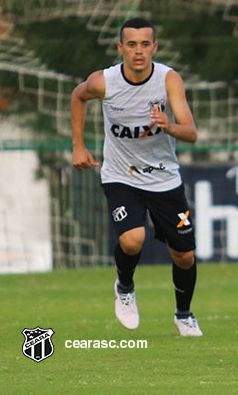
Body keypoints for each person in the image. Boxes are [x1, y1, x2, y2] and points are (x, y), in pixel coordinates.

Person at [71, 17, 203, 337]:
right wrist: (78, 145)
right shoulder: (104, 81)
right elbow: (78, 96)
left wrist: (169, 126)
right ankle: (125, 287)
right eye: (131, 44)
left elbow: (191, 132)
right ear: (121, 48)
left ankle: (184, 314)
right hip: (121, 176)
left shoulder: (169, 80)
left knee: (184, 256)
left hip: (164, 179)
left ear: (154, 47)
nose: (138, 51)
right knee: (132, 240)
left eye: (145, 44)